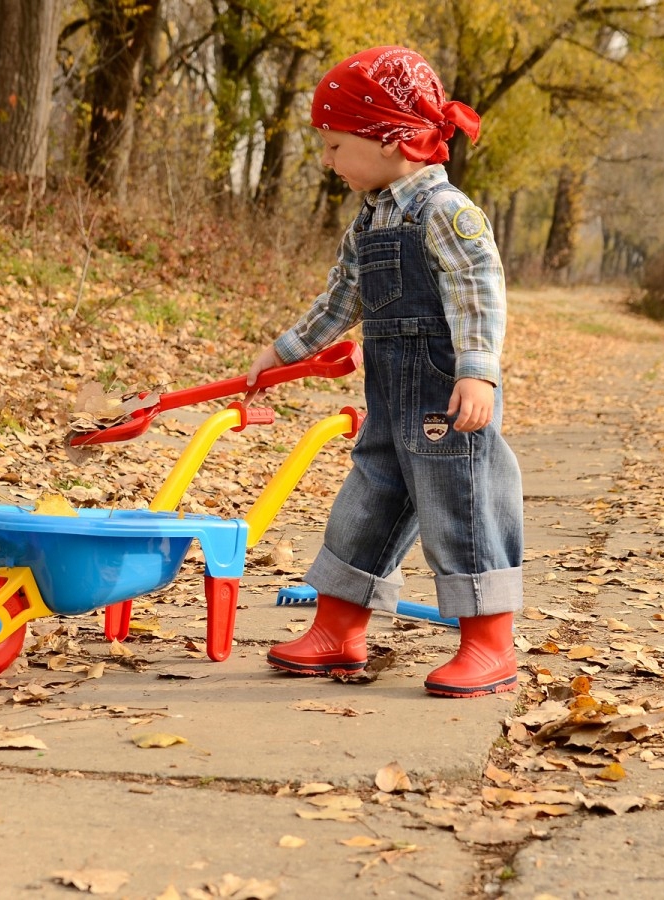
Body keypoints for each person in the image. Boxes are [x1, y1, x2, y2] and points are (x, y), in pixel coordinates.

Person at [245, 46, 523, 698]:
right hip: (390, 400)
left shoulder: (446, 213)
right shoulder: (370, 220)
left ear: (394, 141)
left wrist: (478, 372)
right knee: (367, 501)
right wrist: (286, 351)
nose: (328, 160)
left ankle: (490, 644)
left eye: (338, 146)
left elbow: (479, 290)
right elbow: (342, 300)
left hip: (447, 398)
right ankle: (339, 627)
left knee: (465, 504)